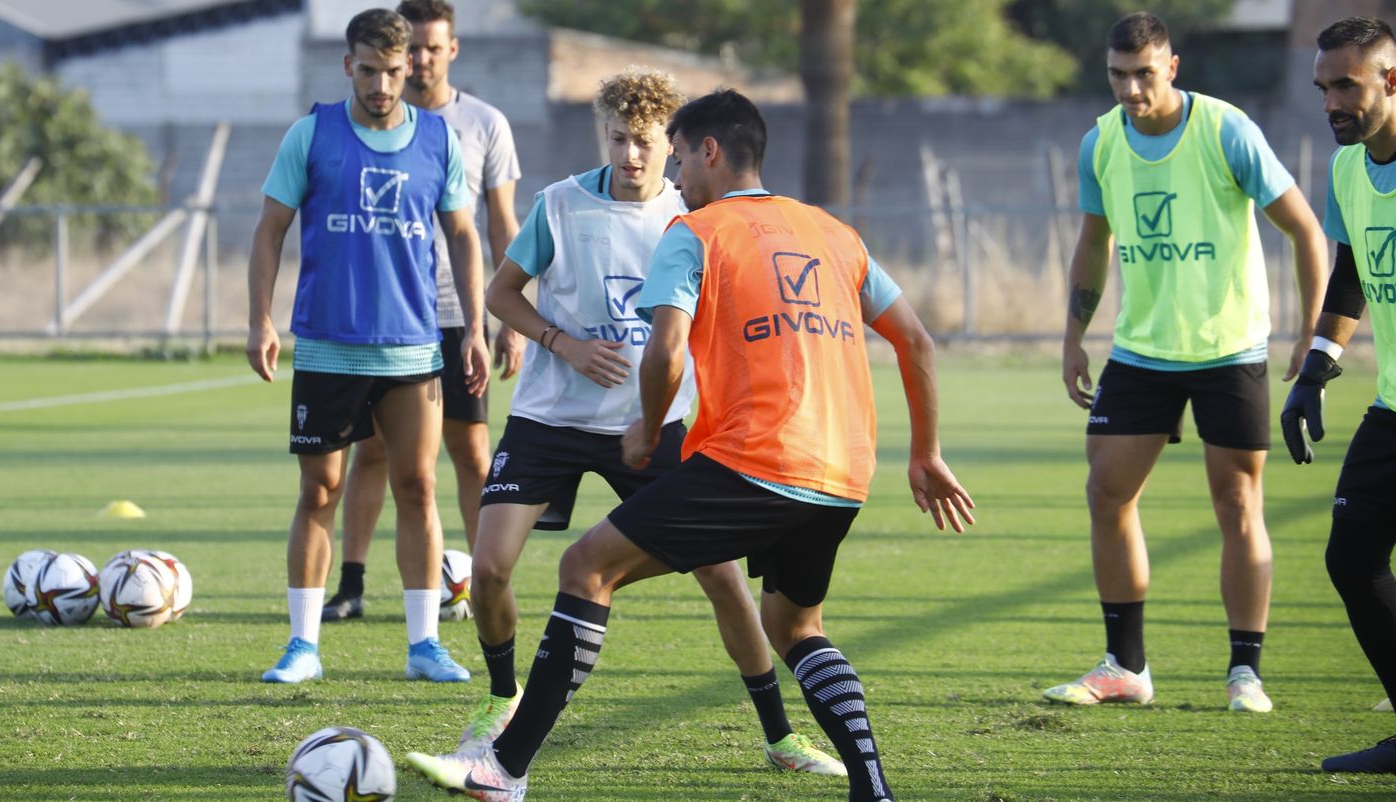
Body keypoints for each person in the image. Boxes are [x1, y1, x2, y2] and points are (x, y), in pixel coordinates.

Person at [408, 87, 976, 802]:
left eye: (678, 156)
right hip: (843, 474)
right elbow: (916, 340)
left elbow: (666, 349)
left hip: (755, 460)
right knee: (794, 624)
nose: (674, 176)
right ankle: (873, 788)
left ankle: (502, 770)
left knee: (587, 567)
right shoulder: (834, 232)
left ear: (710, 152)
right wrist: (925, 452)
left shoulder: (697, 229)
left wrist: (647, 424)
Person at [445, 66, 845, 776]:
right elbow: (503, 294)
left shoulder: (695, 215)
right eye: (617, 138)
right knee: (490, 566)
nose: (630, 155)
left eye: (645, 142)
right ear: (603, 134)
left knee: (723, 581)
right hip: (550, 419)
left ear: (679, 146)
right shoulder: (560, 205)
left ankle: (780, 735)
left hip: (658, 425)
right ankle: (501, 699)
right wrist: (561, 343)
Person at [1050, 11, 1326, 713]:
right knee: (1106, 493)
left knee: (1237, 503)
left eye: (1144, 73)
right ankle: (1126, 666)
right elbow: (1093, 242)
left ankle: (1245, 672)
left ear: (1172, 66)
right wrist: (1073, 332)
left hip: (1228, 347)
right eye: (1118, 75)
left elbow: (1305, 230)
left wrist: (1313, 331)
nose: (1132, 90)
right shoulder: (1100, 144)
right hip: (1141, 351)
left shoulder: (1227, 130)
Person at [246, 7, 488, 684]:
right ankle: (302, 646)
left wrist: (473, 325)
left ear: (410, 65)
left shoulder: (437, 140)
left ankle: (424, 646)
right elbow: (270, 230)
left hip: (412, 349)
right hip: (326, 345)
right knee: (320, 491)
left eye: (392, 70)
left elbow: (464, 235)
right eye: (369, 70)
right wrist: (260, 319)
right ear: (347, 65)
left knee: (417, 486)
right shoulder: (312, 134)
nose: (381, 84)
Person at [324, 0, 525, 624]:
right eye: (412, 51)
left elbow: (499, 225)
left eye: (433, 49)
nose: (420, 62)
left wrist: (507, 320)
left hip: (455, 313)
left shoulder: (484, 124)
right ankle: (351, 583)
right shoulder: (373, 123)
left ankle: (489, 580)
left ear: (452, 50)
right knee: (376, 452)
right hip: (389, 315)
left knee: (471, 450)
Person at [1288, 15, 1396, 772]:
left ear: (1391, 80)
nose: (1331, 102)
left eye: (1347, 86)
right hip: (1393, 410)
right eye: (1324, 87)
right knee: (1352, 559)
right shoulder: (1352, 169)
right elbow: (1353, 272)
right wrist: (1316, 369)